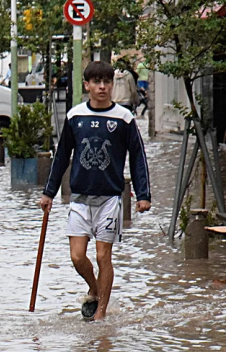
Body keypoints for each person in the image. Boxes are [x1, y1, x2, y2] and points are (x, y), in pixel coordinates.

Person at [40, 61, 151, 321]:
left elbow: (137, 156)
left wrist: (143, 194)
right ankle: (93, 287)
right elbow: (61, 157)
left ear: (112, 85)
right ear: (87, 85)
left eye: (107, 82)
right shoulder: (75, 116)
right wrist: (49, 192)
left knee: (103, 255)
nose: (102, 87)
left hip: (111, 198)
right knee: (77, 257)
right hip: (79, 197)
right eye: (97, 82)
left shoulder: (124, 118)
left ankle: (100, 315)